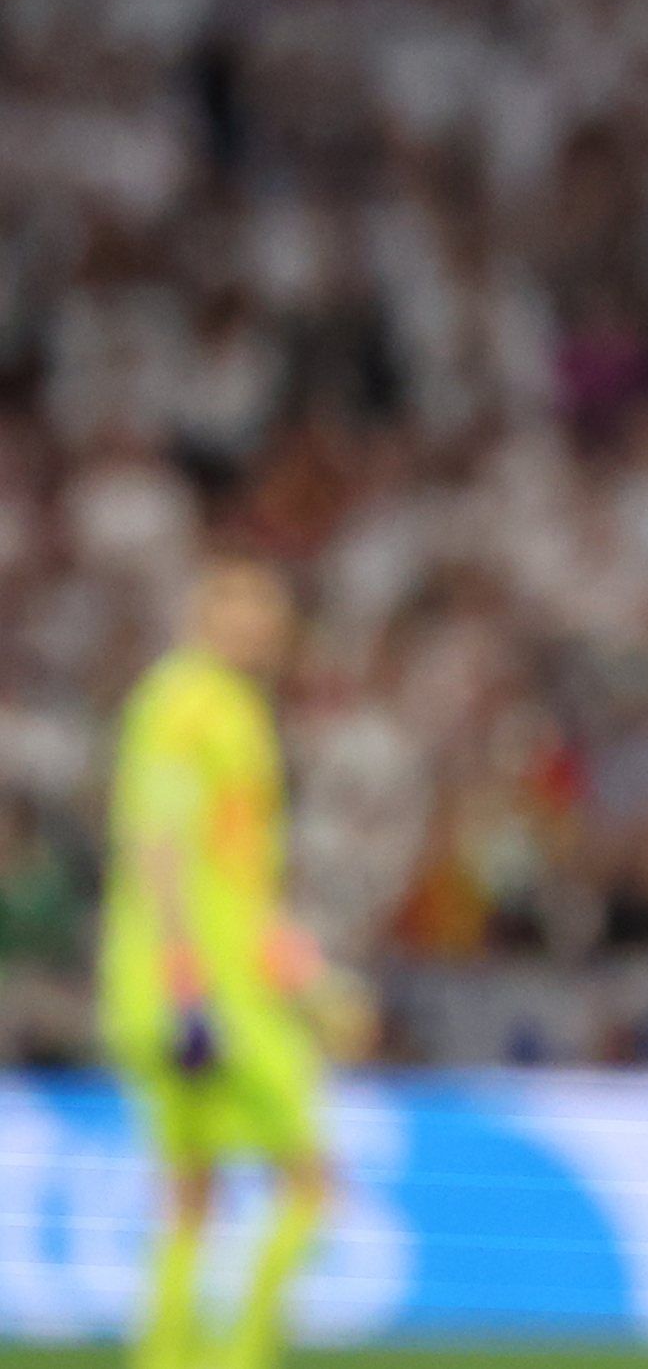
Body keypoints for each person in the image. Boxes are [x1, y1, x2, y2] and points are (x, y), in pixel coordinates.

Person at [99, 559, 334, 1369]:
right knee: (312, 1182)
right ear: (206, 613)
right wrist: (184, 977)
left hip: (202, 973)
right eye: (246, 608)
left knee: (189, 1191)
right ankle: (239, 1357)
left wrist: (295, 962)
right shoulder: (192, 703)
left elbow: (232, 869)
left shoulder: (221, 704)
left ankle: (164, 1357)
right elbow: (157, 841)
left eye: (272, 612)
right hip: (201, 985)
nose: (264, 627)